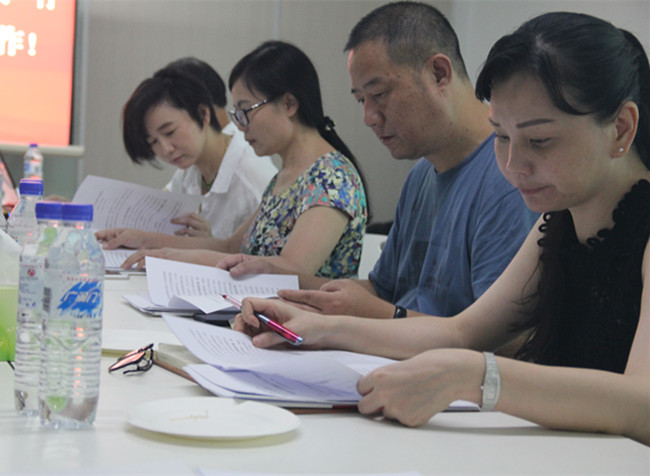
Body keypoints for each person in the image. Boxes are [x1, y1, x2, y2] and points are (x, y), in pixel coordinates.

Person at [235, 11, 650, 446]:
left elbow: (642, 403)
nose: (513, 165)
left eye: (540, 140)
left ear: (620, 128)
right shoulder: (558, 219)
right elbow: (462, 331)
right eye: (501, 137)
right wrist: (318, 328)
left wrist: (474, 376)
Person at [222, 1, 536, 323]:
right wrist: (282, 286)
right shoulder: (421, 176)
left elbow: (502, 339)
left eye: (380, 94)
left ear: (438, 74)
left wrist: (378, 316)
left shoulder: (511, 180)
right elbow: (381, 290)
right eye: (361, 100)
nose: (369, 117)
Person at [99, 41, 368, 280]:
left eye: (246, 111)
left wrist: (174, 257)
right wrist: (147, 241)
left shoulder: (330, 177)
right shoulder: (286, 177)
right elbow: (229, 247)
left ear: (289, 104)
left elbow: (293, 270)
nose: (240, 125)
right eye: (237, 114)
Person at [113, 62, 276, 240]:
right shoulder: (190, 168)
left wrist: (211, 244)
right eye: (153, 142)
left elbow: (275, 253)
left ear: (203, 114)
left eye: (170, 132)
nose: (166, 149)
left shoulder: (252, 177)